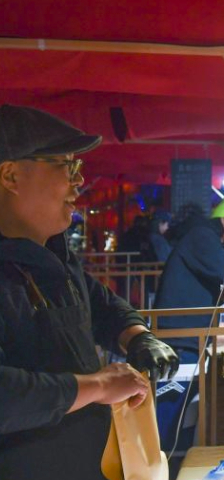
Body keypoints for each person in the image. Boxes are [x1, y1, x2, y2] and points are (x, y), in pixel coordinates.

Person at [0, 104, 178, 480]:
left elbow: (97, 303)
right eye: (66, 166)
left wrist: (138, 336)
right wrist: (97, 386)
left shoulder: (56, 254)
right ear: (11, 175)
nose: (78, 181)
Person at [154, 194, 224, 363]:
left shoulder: (203, 234)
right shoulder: (203, 235)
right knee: (185, 385)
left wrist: (219, 295)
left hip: (182, 330)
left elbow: (197, 277)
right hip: (180, 335)